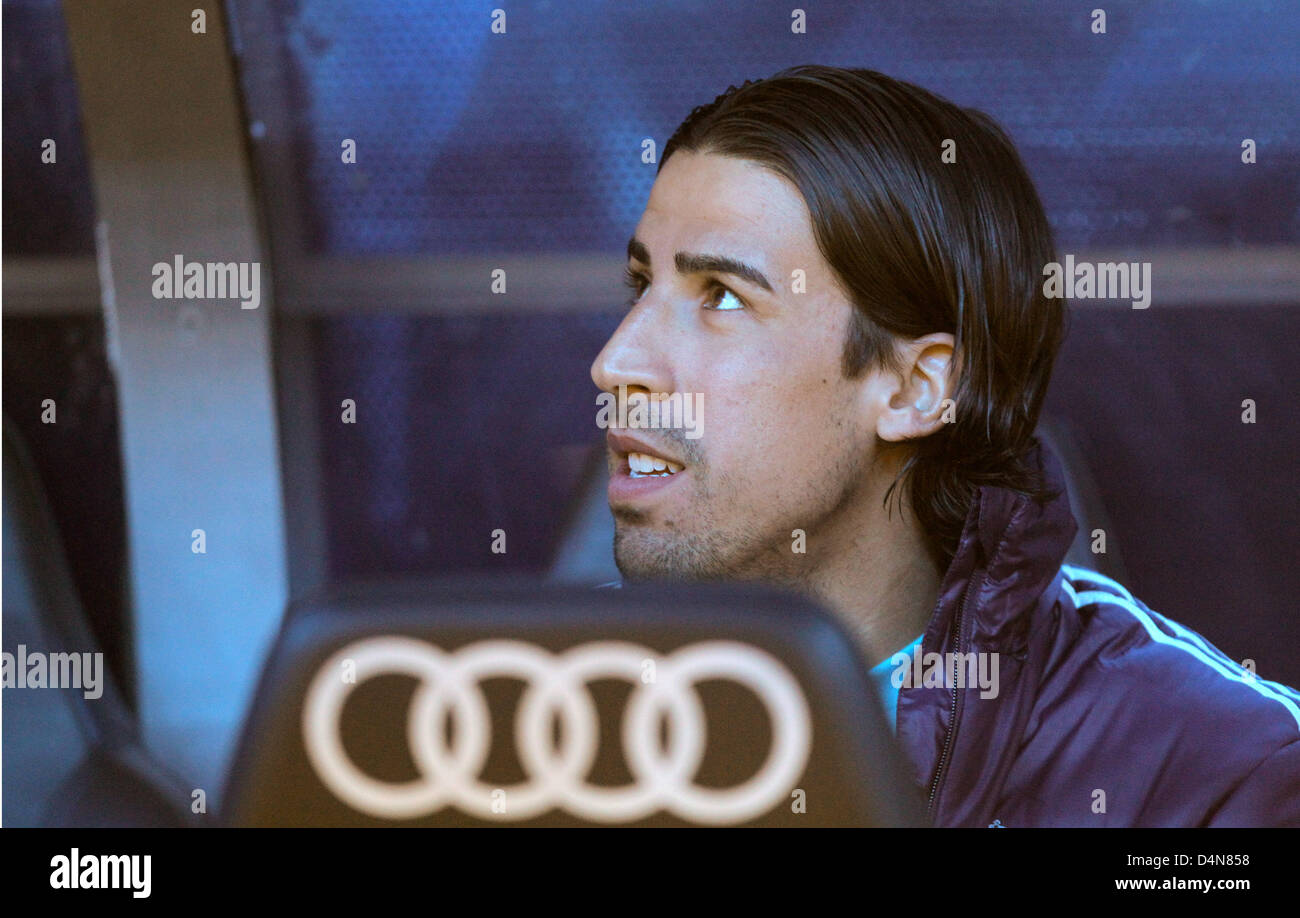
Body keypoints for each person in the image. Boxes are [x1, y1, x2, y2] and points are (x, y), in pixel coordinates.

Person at [589, 65, 1300, 827]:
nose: (615, 363)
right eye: (642, 287)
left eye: (722, 296)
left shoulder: (1226, 775)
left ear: (916, 388)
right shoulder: (534, 711)